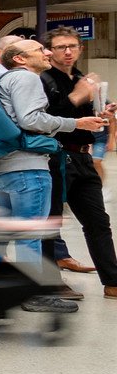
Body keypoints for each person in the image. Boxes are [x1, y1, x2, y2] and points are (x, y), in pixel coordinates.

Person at [0, 37, 99, 312]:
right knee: (31, 232)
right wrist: (74, 122)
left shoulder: (5, 80)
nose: (48, 52)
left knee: (1, 232)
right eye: (40, 50)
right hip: (29, 167)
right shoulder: (27, 79)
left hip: (5, 165)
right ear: (19, 58)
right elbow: (30, 119)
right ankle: (34, 295)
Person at [39, 28, 117, 296]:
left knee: (98, 220)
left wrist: (104, 111)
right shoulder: (44, 80)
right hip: (56, 156)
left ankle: (112, 281)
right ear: (49, 51)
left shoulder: (82, 79)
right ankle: (51, 283)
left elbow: (88, 117)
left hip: (83, 156)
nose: (68, 52)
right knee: (51, 221)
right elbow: (46, 120)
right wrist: (77, 96)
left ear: (81, 49)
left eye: (72, 46)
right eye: (61, 47)